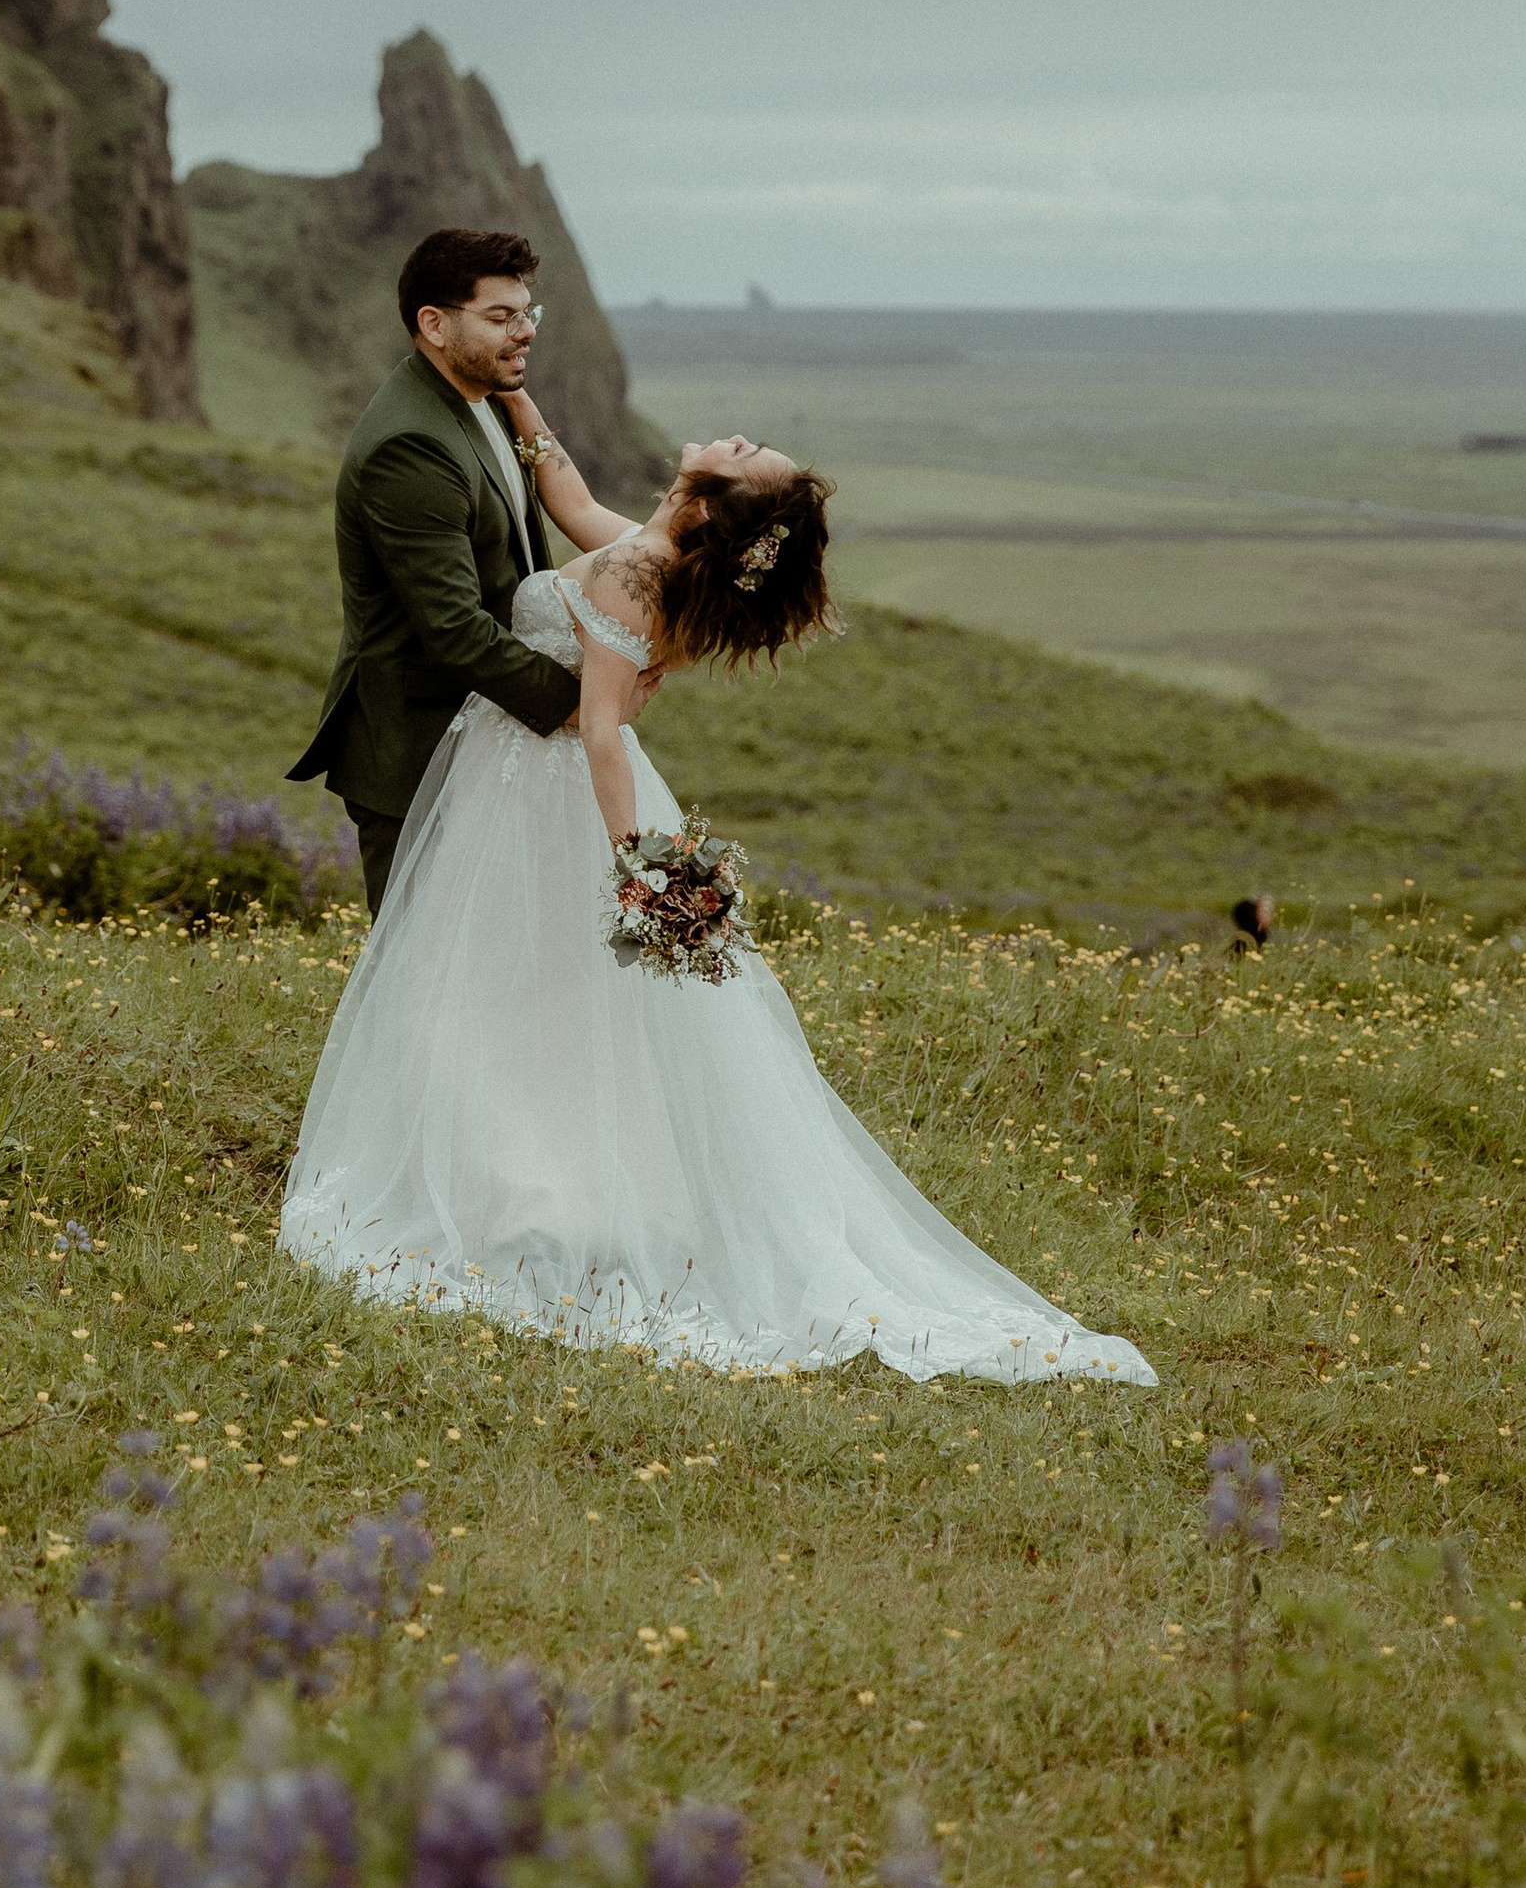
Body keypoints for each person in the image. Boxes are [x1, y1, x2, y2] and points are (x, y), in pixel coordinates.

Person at [279, 377, 1156, 1387]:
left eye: (750, 453)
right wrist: (521, 410)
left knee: (502, 994)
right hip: (521, 778)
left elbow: (601, 730)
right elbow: (568, 502)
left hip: (543, 791)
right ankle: (522, 1176)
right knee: (528, 1004)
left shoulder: (642, 578)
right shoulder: (654, 552)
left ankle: (533, 1198)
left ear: (716, 499)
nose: (740, 435)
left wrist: (636, 869)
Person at [286, 227, 583, 916]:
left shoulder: (488, 403)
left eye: (527, 314)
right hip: (418, 755)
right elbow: (453, 629)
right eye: (500, 317)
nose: (524, 333)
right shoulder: (410, 443)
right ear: (434, 324)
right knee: (419, 985)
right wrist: (577, 700)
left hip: (486, 741)